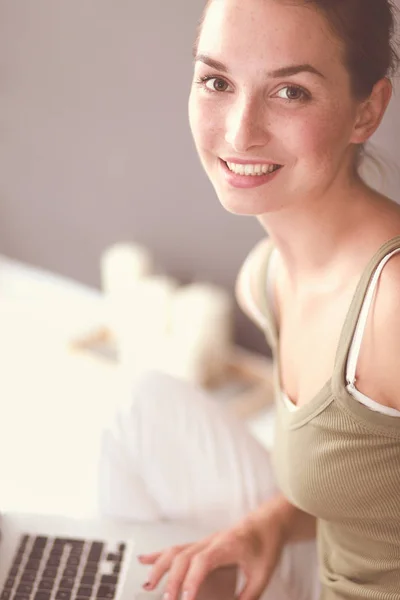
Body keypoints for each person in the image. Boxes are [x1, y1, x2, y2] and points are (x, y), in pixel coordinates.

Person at [98, 0, 400, 598]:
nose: (239, 131)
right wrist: (266, 528)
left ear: (366, 111)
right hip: (324, 568)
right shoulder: (265, 279)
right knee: (142, 404)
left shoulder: (391, 304)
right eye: (217, 81)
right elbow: (371, 483)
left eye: (291, 93)